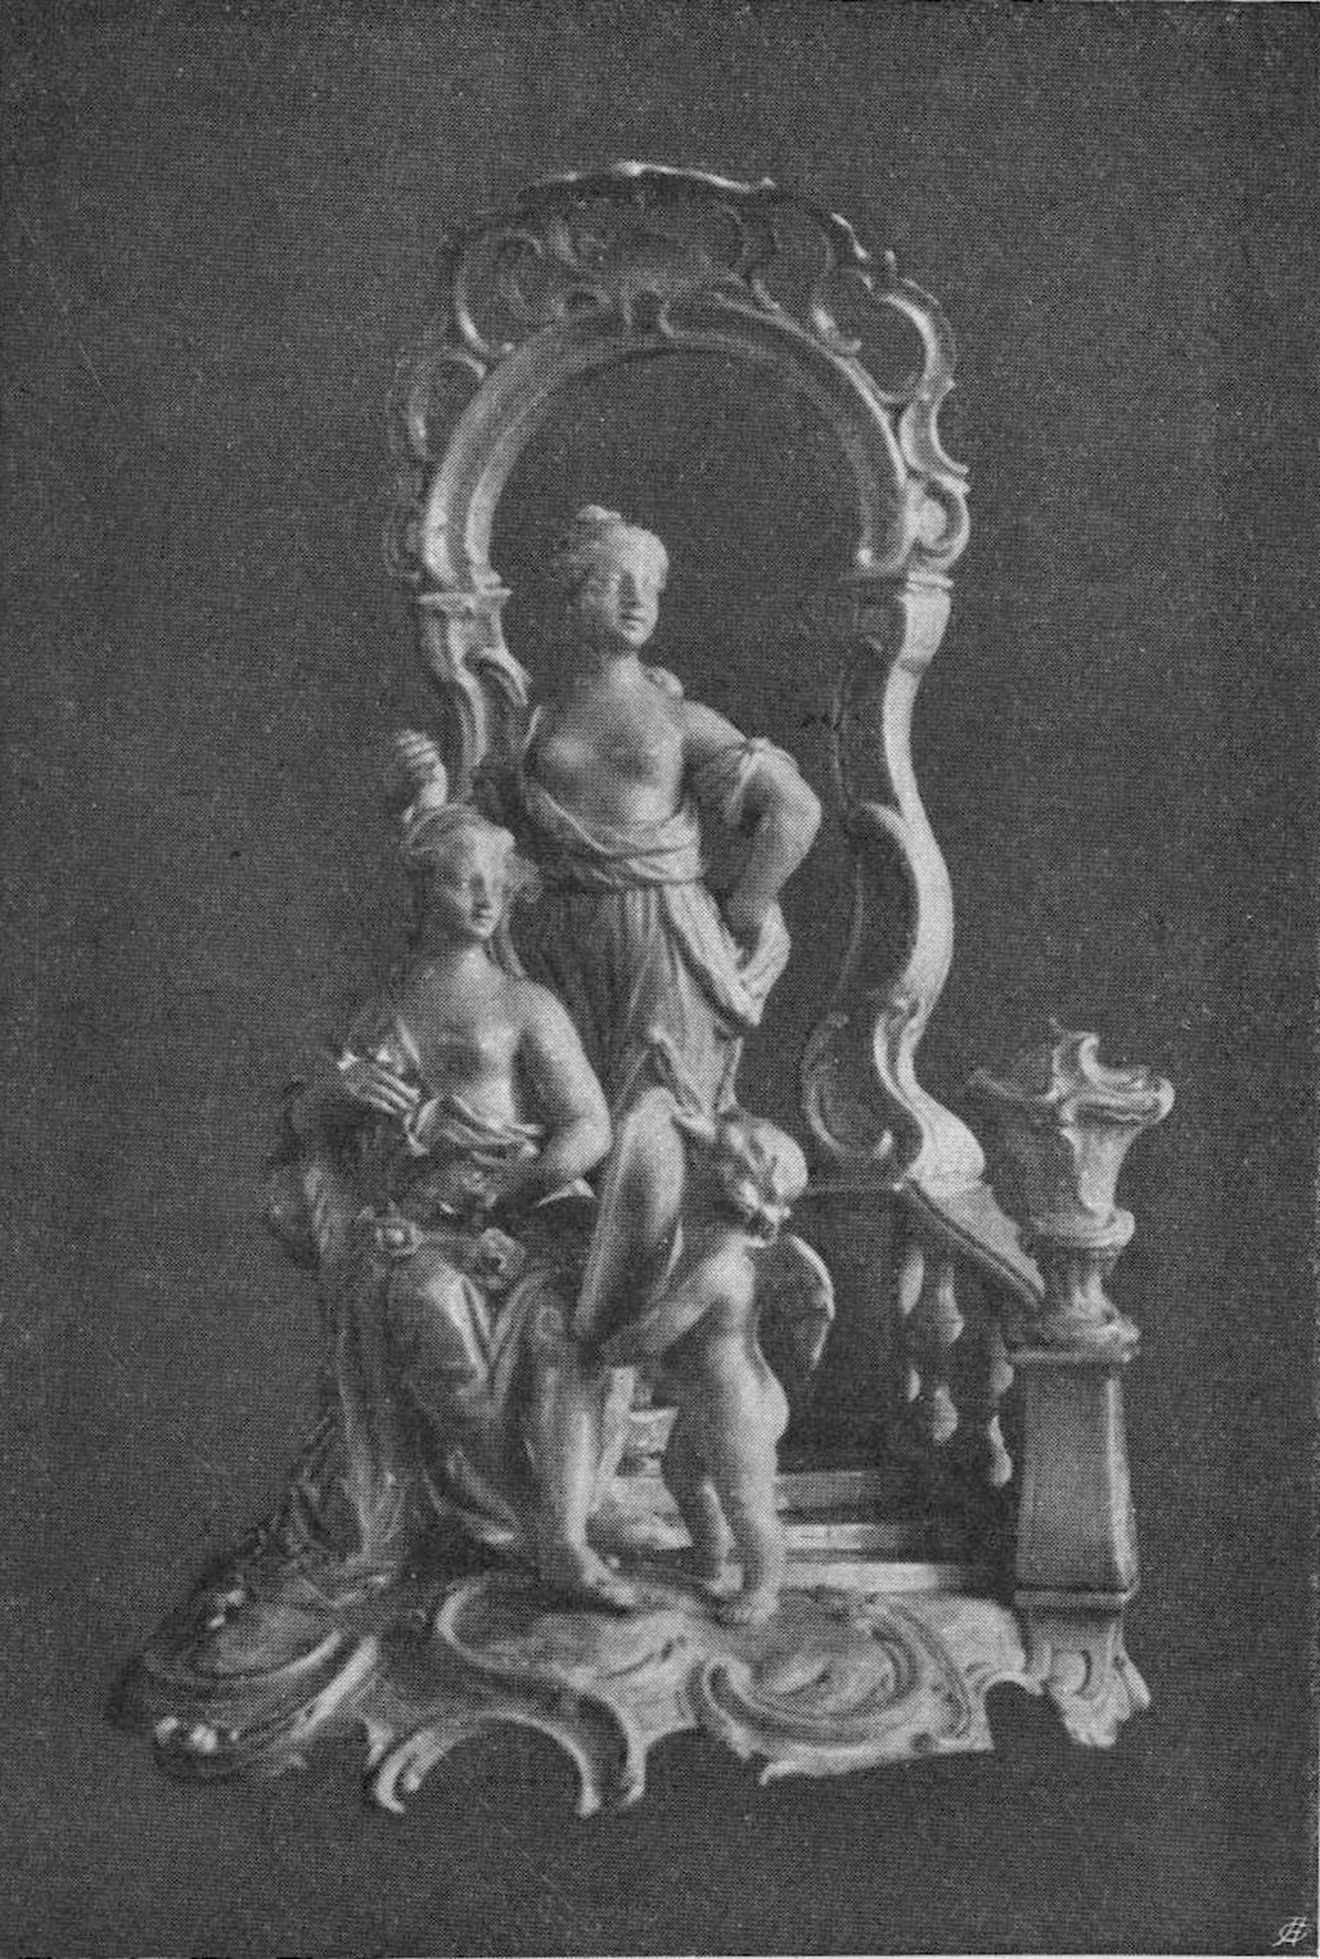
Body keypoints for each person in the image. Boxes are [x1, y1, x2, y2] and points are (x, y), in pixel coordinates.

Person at [276, 777, 640, 1610]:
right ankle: (541, 1529)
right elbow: (305, 1123)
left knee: (562, 1323)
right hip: (418, 1227)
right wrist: (338, 1098)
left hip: (530, 1211)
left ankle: (566, 1533)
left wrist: (518, 1183)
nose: (484, 899)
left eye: (495, 884)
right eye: (462, 881)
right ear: (421, 889)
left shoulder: (524, 1003)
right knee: (428, 1307)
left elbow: (589, 1125)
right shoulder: (378, 1012)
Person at [486, 505, 823, 1119]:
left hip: (663, 937)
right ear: (571, 596)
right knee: (569, 1116)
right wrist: (422, 789)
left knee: (665, 1114)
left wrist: (747, 909)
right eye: (613, 580)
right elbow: (488, 833)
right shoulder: (529, 725)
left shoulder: (676, 719)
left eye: (648, 584)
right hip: (556, 942)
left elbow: (795, 809)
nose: (636, 597)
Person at [598, 1098, 813, 1627]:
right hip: (713, 1400)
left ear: (729, 1188)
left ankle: (763, 1587)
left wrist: (611, 1349)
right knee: (682, 1475)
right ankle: (709, 1556)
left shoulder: (717, 1266)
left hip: (736, 1406)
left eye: (695, 1168)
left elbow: (658, 1331)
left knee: (746, 1502)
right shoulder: (713, 1250)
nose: (683, 1181)